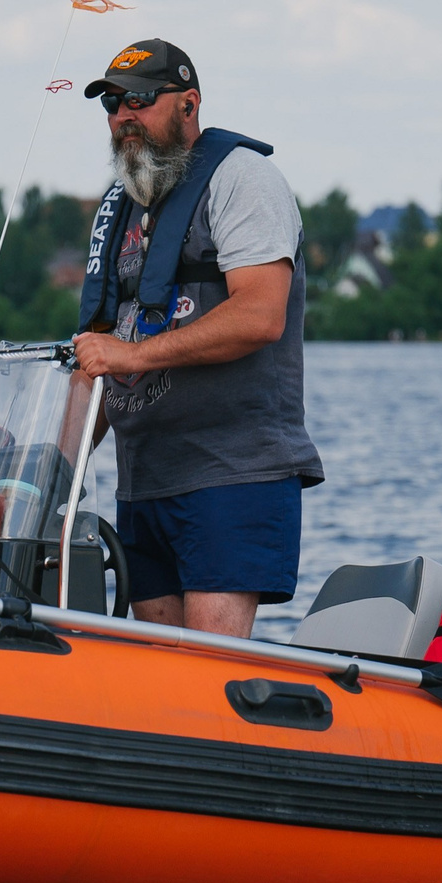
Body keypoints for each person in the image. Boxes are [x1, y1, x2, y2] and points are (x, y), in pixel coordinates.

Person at [67, 39, 321, 640]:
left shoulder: (244, 181)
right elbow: (100, 355)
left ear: (189, 104)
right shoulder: (123, 205)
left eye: (140, 100)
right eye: (112, 104)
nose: (123, 115)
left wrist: (131, 354)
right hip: (144, 480)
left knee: (209, 675)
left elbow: (261, 316)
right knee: (160, 678)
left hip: (231, 474)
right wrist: (47, 472)